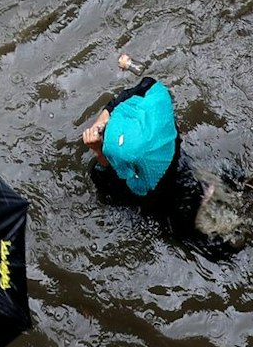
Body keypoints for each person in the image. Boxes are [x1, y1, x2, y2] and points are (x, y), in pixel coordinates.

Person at [81, 76, 209, 241]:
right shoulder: (169, 140)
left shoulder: (139, 190)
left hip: (172, 216)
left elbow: (107, 181)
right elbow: (145, 86)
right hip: (189, 178)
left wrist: (98, 151)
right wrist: (103, 122)